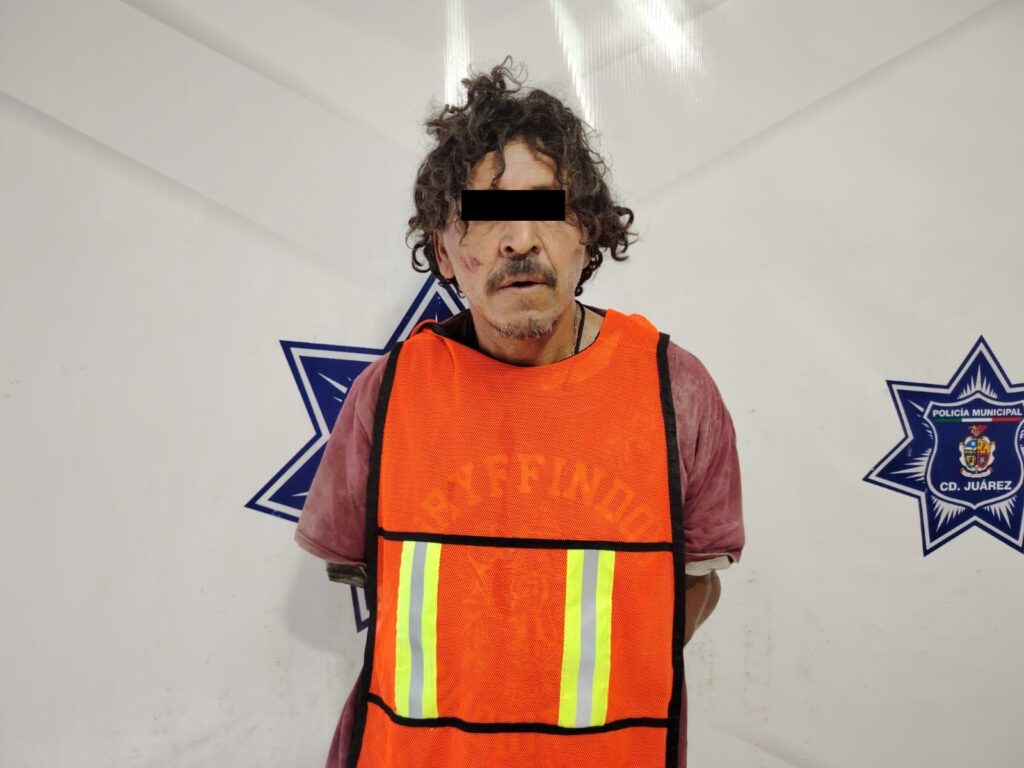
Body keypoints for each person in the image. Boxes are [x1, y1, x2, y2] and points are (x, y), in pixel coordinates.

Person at [296, 58, 744, 768]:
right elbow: (367, 581)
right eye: (483, 216)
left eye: (546, 209)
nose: (519, 240)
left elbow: (695, 586)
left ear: (587, 233)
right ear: (444, 252)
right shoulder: (387, 396)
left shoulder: (676, 391)